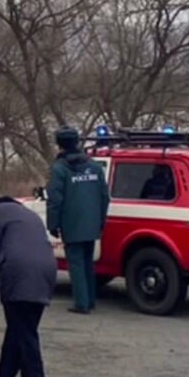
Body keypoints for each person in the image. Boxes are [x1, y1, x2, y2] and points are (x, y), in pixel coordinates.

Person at [0, 196, 56, 377]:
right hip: (46, 270)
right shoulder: (29, 215)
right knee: (18, 328)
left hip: (19, 272)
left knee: (24, 330)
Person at [46, 126, 110, 314]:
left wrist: (52, 224)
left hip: (71, 223)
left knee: (75, 263)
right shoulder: (95, 167)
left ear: (59, 145)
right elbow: (104, 197)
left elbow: (55, 199)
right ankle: (90, 300)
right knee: (88, 263)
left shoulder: (59, 169)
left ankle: (81, 303)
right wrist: (100, 220)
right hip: (92, 223)